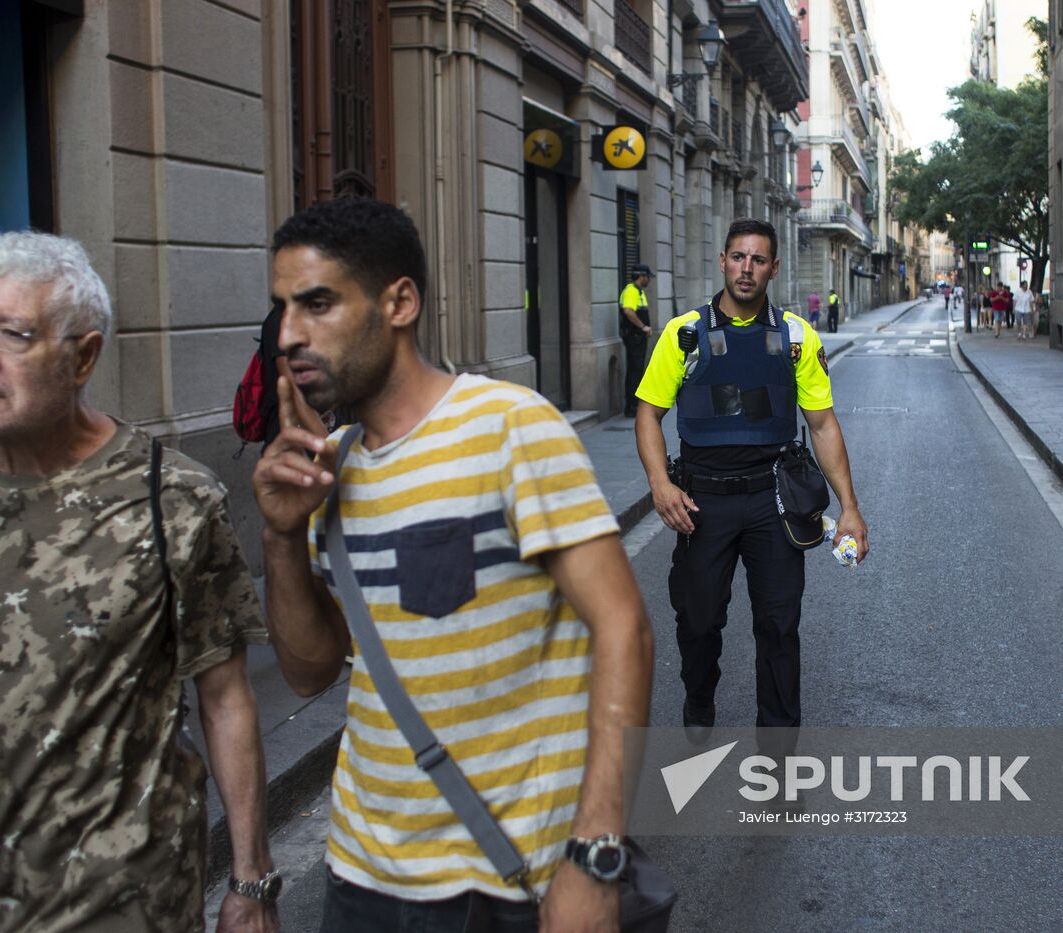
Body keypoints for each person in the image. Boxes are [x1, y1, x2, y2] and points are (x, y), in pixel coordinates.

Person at [253, 197, 654, 931]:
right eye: (282, 308)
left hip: (500, 882)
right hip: (360, 873)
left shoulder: (510, 426)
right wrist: (280, 538)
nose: (289, 336)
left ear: (399, 301)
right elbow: (312, 670)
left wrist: (597, 854)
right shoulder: (330, 468)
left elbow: (625, 628)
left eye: (317, 304)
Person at [0, 233, 277, 932]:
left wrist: (251, 881)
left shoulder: (172, 497)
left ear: (83, 355)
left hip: (125, 904)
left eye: (12, 335)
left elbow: (225, 698)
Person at [633, 218, 869, 732]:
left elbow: (823, 425)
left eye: (758, 260)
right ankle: (699, 696)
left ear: (773, 269)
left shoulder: (794, 337)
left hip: (775, 503)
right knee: (697, 624)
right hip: (702, 502)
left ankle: (780, 763)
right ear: (722, 261)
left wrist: (849, 506)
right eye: (738, 257)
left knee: (779, 628)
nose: (746, 269)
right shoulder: (685, 334)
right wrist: (659, 483)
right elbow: (648, 413)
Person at [619, 263, 654, 417]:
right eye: (648, 277)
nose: (649, 280)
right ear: (642, 277)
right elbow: (628, 311)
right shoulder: (631, 291)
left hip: (638, 338)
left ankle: (634, 405)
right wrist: (643, 327)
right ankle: (632, 407)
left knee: (637, 370)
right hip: (634, 337)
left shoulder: (638, 292)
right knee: (635, 371)